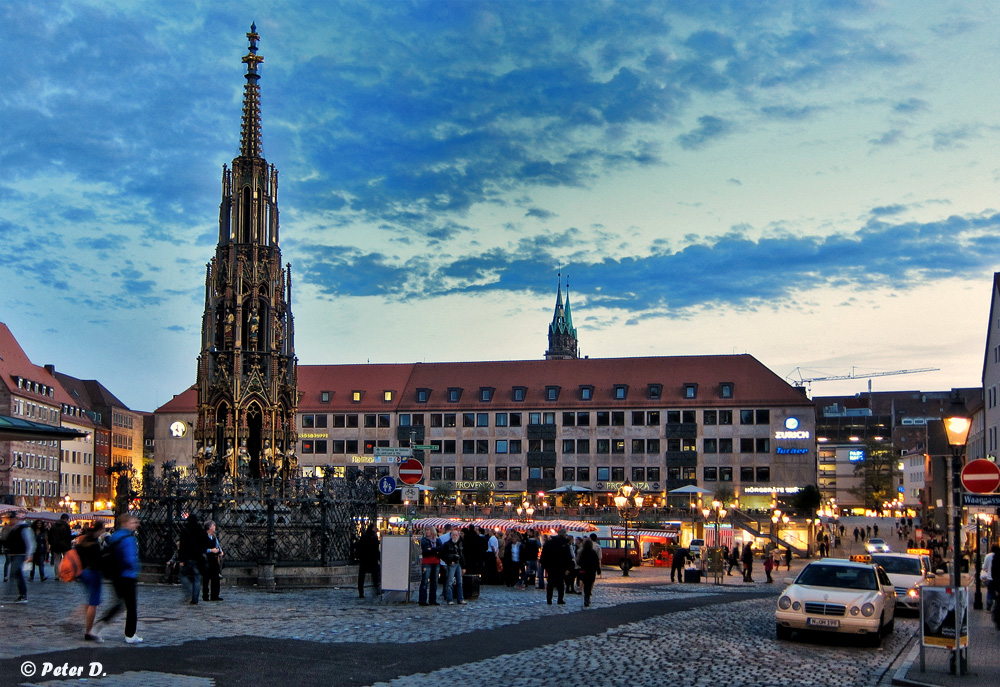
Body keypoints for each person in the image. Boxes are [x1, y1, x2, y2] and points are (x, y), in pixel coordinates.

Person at [98, 514, 142, 644]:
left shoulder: (115, 536)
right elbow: (130, 558)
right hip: (128, 575)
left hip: (116, 575)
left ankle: (100, 624)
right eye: (133, 522)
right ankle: (130, 634)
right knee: (131, 606)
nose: (136, 524)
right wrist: (136, 567)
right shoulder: (129, 538)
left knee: (119, 603)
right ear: (125, 523)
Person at [77, 522, 105, 641]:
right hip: (93, 573)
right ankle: (89, 632)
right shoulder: (94, 543)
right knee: (94, 603)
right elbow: (97, 561)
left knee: (90, 601)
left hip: (83, 572)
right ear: (101, 529)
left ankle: (78, 617)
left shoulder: (83, 540)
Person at [3, 510, 33, 603]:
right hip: (14, 553)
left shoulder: (23, 528)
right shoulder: (13, 528)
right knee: (17, 573)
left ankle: (20, 594)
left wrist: (29, 554)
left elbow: (29, 542)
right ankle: (21, 594)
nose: (12, 521)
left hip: (20, 554)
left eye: (13, 519)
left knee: (15, 573)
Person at [178, 513, 208, 605]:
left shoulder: (185, 530)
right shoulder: (201, 530)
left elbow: (182, 546)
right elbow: (205, 543)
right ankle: (195, 599)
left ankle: (189, 591)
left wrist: (181, 559)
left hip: (188, 557)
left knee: (183, 575)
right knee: (197, 578)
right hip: (198, 557)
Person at [540, 528, 573, 605]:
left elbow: (544, 556)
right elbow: (568, 557)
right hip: (561, 567)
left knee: (550, 584)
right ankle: (560, 599)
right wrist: (568, 568)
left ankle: (549, 599)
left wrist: (545, 566)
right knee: (560, 584)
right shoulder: (565, 544)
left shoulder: (549, 543)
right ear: (564, 535)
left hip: (551, 567)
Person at [440, 529, 466, 605]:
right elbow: (442, 555)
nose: (455, 536)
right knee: (449, 582)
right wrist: (449, 561)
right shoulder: (447, 544)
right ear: (451, 536)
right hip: (451, 564)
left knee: (460, 582)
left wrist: (464, 566)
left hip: (459, 564)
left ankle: (460, 599)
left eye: (456, 535)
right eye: (453, 535)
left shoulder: (460, 544)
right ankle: (449, 599)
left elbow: (462, 555)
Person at [201, 520, 224, 602]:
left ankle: (215, 595)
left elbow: (217, 545)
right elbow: (201, 549)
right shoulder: (203, 537)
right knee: (206, 578)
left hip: (214, 560)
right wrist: (211, 550)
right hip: (207, 560)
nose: (215, 527)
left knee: (215, 578)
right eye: (213, 526)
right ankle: (205, 595)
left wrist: (220, 551)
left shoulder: (214, 537)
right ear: (210, 527)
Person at [419, 526, 441, 606]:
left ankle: (433, 599)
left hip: (436, 562)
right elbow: (425, 550)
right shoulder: (424, 540)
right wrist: (434, 550)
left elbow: (440, 549)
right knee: (425, 581)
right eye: (426, 530)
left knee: (434, 582)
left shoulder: (438, 540)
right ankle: (422, 600)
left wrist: (431, 549)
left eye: (428, 530)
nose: (427, 531)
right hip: (427, 562)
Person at [357, 523, 380, 599]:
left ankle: (361, 592)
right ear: (372, 528)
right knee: (375, 575)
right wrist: (379, 558)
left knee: (361, 577)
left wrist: (359, 556)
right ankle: (376, 589)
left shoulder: (364, 536)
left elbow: (359, 547)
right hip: (372, 559)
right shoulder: (374, 537)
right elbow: (376, 549)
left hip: (364, 559)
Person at [577, 538, 600, 608]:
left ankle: (586, 597)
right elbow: (596, 562)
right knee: (589, 585)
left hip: (584, 571)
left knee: (586, 584)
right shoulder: (593, 553)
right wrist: (598, 570)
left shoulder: (582, 552)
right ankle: (587, 597)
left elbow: (579, 562)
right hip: (591, 571)